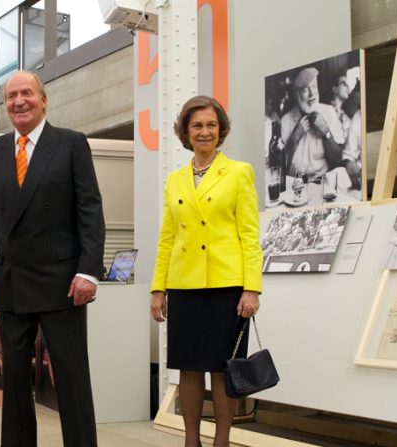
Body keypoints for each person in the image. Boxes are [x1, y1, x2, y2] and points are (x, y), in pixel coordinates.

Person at [0, 70, 105, 447]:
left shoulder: (71, 144)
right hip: (12, 282)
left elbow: (90, 212)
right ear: (6, 105)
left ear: (43, 99)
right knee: (14, 383)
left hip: (63, 283)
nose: (19, 101)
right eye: (11, 96)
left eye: (27, 93)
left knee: (70, 380)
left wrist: (88, 271)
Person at [149, 96, 262, 447]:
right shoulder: (176, 180)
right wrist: (158, 289)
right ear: (185, 131)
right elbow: (167, 238)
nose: (204, 131)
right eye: (196, 125)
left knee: (222, 368)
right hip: (185, 285)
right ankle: (191, 440)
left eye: (211, 125)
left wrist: (252, 288)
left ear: (221, 130)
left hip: (227, 286)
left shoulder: (239, 172)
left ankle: (223, 440)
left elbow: (250, 235)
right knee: (189, 367)